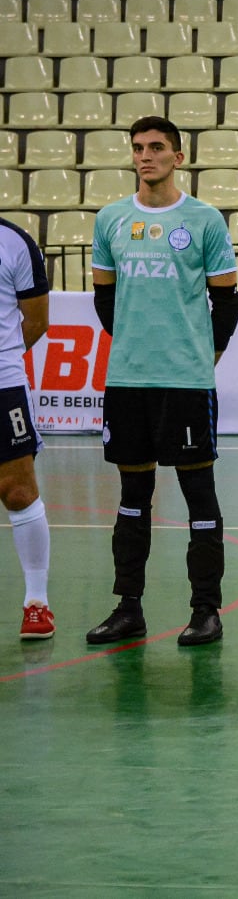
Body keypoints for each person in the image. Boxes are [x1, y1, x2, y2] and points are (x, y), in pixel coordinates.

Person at [86, 117, 238, 648]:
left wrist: (203, 354)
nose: (146, 156)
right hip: (128, 381)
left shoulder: (204, 220)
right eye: (138, 148)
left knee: (200, 494)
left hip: (186, 383)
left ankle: (206, 610)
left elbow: (227, 300)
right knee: (133, 497)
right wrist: (134, 343)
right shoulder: (110, 220)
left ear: (178, 156)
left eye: (156, 148)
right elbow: (105, 300)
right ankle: (129, 606)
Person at [0, 218, 50, 639]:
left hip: (3, 382)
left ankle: (37, 603)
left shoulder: (14, 241)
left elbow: (35, 320)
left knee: (18, 490)